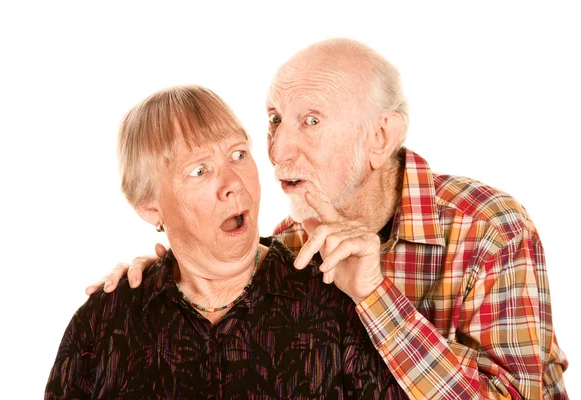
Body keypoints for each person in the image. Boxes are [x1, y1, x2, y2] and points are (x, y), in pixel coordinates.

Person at [90, 39, 569, 399]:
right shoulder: (291, 245)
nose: (277, 150)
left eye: (311, 121)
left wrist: (375, 297)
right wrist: (165, 281)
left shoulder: (488, 228)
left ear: (381, 137)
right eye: (274, 119)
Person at [45, 85, 406, 399]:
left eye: (238, 154)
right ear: (150, 207)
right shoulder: (103, 323)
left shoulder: (333, 304)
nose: (233, 181)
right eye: (199, 171)